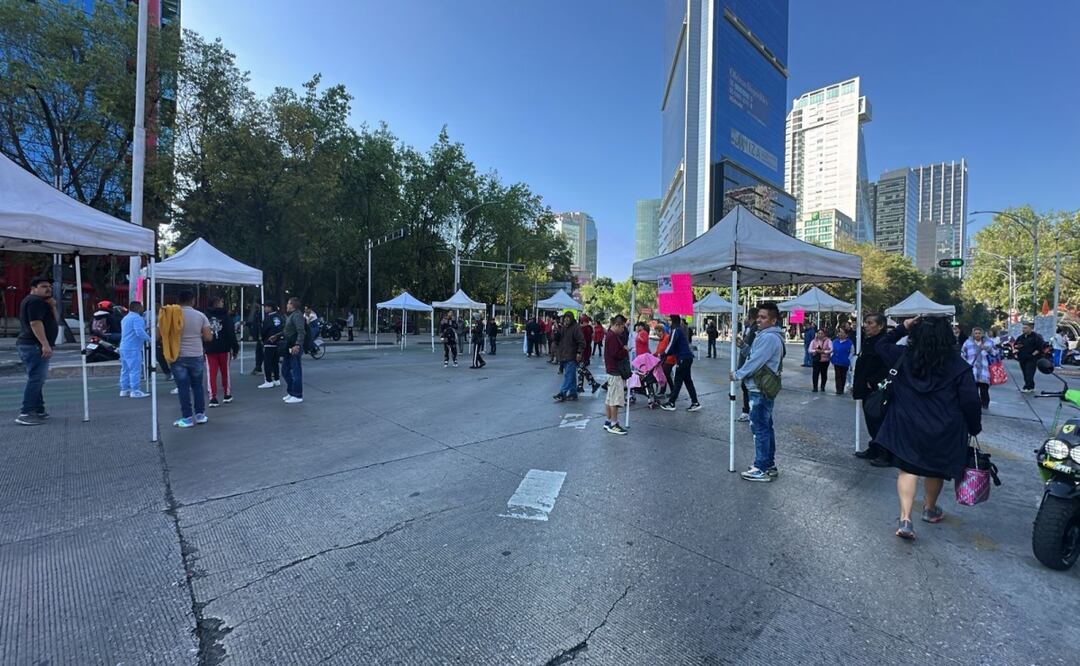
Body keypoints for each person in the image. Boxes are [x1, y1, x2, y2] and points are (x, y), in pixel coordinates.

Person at [875, 316, 982, 539]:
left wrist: (902, 327)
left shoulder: (902, 356)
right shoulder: (959, 366)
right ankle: (929, 509)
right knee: (935, 469)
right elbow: (970, 401)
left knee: (908, 469)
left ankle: (905, 519)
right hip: (943, 428)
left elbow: (880, 344)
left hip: (906, 423)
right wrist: (974, 426)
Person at [731, 302, 785, 481]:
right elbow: (756, 355)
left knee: (760, 428)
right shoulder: (769, 336)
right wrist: (744, 347)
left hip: (759, 389)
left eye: (763, 317)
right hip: (762, 388)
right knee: (766, 427)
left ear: (773, 320)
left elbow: (756, 361)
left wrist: (738, 374)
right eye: (758, 317)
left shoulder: (768, 337)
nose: (759, 320)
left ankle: (761, 467)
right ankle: (768, 464)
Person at [15, 276, 58, 426]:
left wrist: (53, 307)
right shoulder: (35, 301)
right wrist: (45, 344)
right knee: (36, 378)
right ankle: (26, 412)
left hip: (31, 344)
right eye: (44, 286)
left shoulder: (42, 302)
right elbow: (35, 323)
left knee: (37, 378)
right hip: (34, 345)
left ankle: (39, 409)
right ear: (33, 288)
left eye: (50, 287)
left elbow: (55, 321)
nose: (48, 289)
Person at [852, 314, 891, 465]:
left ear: (880, 326)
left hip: (876, 389)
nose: (866, 326)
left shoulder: (883, 343)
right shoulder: (869, 341)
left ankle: (885, 453)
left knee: (877, 420)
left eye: (870, 323)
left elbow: (886, 366)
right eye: (865, 322)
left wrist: (873, 382)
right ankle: (874, 448)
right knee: (870, 420)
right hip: (865, 387)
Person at [171, 290, 212, 428]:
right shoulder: (200, 315)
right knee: (197, 386)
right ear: (192, 300)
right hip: (196, 354)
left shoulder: (171, 315)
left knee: (183, 387)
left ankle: (187, 417)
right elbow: (208, 337)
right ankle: (200, 415)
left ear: (178, 300)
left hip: (178, 355)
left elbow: (160, 334)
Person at [203, 296, 239, 408]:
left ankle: (212, 397)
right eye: (221, 301)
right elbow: (231, 333)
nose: (222, 303)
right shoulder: (226, 316)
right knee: (225, 372)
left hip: (210, 348)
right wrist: (235, 348)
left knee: (211, 374)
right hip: (224, 348)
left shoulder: (205, 316)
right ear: (217, 303)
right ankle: (227, 394)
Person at [659, 314, 700, 412]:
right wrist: (666, 354)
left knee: (678, 381)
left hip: (683, 358)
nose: (668, 322)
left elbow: (671, 345)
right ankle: (695, 402)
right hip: (687, 358)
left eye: (669, 320)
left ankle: (671, 402)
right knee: (687, 381)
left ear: (673, 321)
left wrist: (663, 354)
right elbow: (675, 347)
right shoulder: (679, 330)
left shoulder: (676, 330)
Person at [118, 300, 151, 399]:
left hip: (124, 346)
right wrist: (149, 339)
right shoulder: (137, 318)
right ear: (137, 308)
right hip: (133, 348)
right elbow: (139, 332)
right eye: (141, 307)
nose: (143, 309)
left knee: (125, 369)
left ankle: (124, 389)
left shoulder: (125, 318)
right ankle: (135, 390)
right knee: (135, 370)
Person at [602, 317, 629, 434]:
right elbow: (615, 354)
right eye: (622, 327)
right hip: (615, 370)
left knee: (610, 398)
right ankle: (614, 423)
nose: (623, 330)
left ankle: (608, 421)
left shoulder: (610, 335)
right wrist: (625, 350)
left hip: (611, 370)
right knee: (615, 399)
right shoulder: (612, 336)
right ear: (617, 325)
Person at [552, 311, 585, 402]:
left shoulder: (576, 328)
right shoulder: (563, 328)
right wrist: (556, 332)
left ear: (571, 319)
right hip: (564, 354)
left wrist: (579, 352)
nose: (566, 320)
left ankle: (562, 393)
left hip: (572, 355)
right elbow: (557, 340)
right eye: (565, 318)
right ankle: (573, 393)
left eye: (568, 318)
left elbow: (581, 342)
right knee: (571, 375)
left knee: (568, 375)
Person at [961, 327, 997, 410]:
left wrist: (988, 349)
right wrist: (965, 365)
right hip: (972, 370)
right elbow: (963, 354)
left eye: (979, 333)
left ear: (982, 334)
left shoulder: (988, 343)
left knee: (984, 390)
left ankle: (985, 404)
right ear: (973, 334)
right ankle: (975, 404)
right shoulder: (967, 343)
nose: (977, 335)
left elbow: (995, 353)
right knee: (973, 390)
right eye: (976, 333)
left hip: (984, 370)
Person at [281, 297, 307, 403]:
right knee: (285, 370)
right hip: (289, 346)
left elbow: (301, 331)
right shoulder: (292, 315)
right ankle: (291, 391)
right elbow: (288, 330)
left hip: (294, 346)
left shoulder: (297, 315)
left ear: (293, 305)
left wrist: (297, 345)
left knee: (296, 370)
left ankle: (297, 395)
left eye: (288, 303)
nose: (287, 305)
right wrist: (276, 336)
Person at [736, 309, 759, 422]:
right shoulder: (750, 329)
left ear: (750, 317)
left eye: (746, 316)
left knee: (747, 388)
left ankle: (748, 411)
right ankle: (748, 411)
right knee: (746, 387)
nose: (744, 319)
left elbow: (751, 351)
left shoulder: (754, 331)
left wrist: (742, 345)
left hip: (748, 364)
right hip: (746, 364)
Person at [257, 302, 284, 389]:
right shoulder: (280, 317)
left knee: (267, 362)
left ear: (270, 308)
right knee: (275, 362)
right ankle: (276, 379)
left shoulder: (268, 318)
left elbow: (264, 330)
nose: (265, 309)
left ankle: (268, 380)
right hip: (278, 342)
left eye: (266, 307)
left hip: (269, 342)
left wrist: (263, 340)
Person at [1014, 321, 1045, 393]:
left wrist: (1033, 355)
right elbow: (1015, 345)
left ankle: (1028, 387)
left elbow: (1039, 348)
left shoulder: (1036, 337)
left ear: (1031, 328)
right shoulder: (1021, 337)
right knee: (1025, 372)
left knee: (1029, 373)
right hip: (1022, 358)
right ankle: (1030, 386)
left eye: (1026, 328)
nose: (1023, 330)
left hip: (1032, 358)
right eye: (1023, 328)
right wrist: (1018, 346)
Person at [808, 328, 832, 392]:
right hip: (816, 360)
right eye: (819, 333)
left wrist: (824, 352)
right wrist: (815, 351)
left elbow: (831, 349)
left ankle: (822, 386)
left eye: (821, 333)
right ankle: (815, 387)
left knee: (824, 374)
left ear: (824, 334)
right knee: (815, 374)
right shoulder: (813, 341)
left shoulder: (828, 341)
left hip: (825, 360)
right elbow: (809, 350)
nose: (820, 335)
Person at [831, 327, 853, 395]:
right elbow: (832, 350)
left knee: (843, 376)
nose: (840, 334)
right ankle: (838, 389)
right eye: (839, 332)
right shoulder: (835, 341)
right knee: (837, 375)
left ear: (846, 334)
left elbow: (852, 352)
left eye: (842, 332)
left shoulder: (849, 343)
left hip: (845, 362)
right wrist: (832, 357)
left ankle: (842, 388)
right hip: (836, 361)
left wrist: (848, 359)